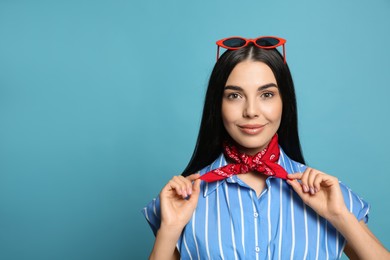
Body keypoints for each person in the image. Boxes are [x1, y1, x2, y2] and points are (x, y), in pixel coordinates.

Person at [142, 36, 389, 259]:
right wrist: (170, 230)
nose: (251, 111)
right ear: (217, 105)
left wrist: (340, 216)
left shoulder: (330, 195)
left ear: (285, 102)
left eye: (267, 95)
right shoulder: (181, 200)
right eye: (234, 96)